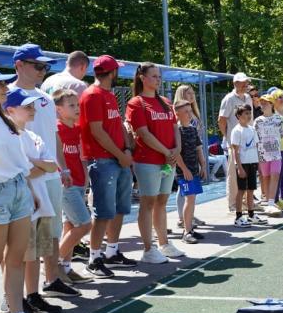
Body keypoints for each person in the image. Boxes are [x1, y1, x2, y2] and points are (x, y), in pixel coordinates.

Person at [9, 45, 80, 306]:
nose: (42, 71)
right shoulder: (8, 96)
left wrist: (64, 168)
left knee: (49, 233)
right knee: (23, 241)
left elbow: (54, 136)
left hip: (49, 175)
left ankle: (50, 282)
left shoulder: (46, 99)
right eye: (37, 66)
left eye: (44, 67)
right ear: (19, 65)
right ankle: (16, 297)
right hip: (25, 177)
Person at [0, 66, 49, 313]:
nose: (5, 87)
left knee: (16, 259)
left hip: (17, 191)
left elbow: (18, 163)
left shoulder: (5, 121)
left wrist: (28, 190)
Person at [79, 55, 135, 278]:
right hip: (103, 160)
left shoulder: (108, 95)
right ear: (112, 73)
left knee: (120, 208)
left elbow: (117, 124)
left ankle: (112, 251)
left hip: (117, 158)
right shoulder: (92, 95)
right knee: (103, 211)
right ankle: (94, 259)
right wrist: (121, 154)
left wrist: (128, 149)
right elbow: (97, 131)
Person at [125, 62, 184, 263]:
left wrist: (177, 149)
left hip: (169, 160)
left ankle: (164, 243)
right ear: (142, 77)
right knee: (148, 203)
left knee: (162, 201)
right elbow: (142, 133)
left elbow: (175, 127)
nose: (158, 79)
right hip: (148, 161)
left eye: (159, 76)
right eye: (154, 76)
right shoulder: (136, 103)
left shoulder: (166, 102)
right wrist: (167, 151)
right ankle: (148, 249)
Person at [53, 89, 94, 284]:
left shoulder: (77, 129)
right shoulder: (57, 129)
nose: (77, 108)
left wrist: (85, 178)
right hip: (65, 185)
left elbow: (81, 157)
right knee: (85, 224)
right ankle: (54, 264)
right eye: (71, 105)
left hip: (78, 183)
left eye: (77, 105)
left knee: (69, 225)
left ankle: (66, 270)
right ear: (58, 109)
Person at [173, 85, 207, 230]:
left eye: (193, 93)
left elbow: (198, 147)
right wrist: (184, 168)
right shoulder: (177, 129)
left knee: (191, 197)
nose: (192, 95)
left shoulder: (192, 126)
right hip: (184, 168)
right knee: (185, 194)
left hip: (193, 167)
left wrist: (203, 165)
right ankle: (184, 222)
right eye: (189, 93)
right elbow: (177, 152)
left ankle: (189, 220)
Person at [218, 73, 253, 212]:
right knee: (234, 174)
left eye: (246, 82)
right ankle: (233, 204)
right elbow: (221, 120)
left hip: (249, 141)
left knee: (248, 172)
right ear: (235, 83)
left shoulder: (248, 97)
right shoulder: (229, 99)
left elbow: (251, 119)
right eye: (243, 82)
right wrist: (227, 137)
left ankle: (245, 202)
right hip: (235, 143)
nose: (245, 85)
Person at [230, 104, 265, 227]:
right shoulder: (236, 131)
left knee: (251, 190)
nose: (248, 116)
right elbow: (236, 151)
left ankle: (251, 215)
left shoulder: (252, 129)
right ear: (238, 116)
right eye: (245, 113)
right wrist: (239, 167)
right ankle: (238, 217)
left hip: (252, 163)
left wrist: (258, 164)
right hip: (242, 165)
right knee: (241, 191)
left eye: (249, 113)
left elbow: (256, 147)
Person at [253, 93, 283, 217]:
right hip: (262, 154)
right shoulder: (258, 121)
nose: (263, 104)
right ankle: (266, 200)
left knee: (275, 176)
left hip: (276, 153)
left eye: (266, 102)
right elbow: (255, 137)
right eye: (262, 102)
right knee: (265, 177)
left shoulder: (278, 119)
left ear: (271, 104)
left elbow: (282, 134)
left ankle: (271, 202)